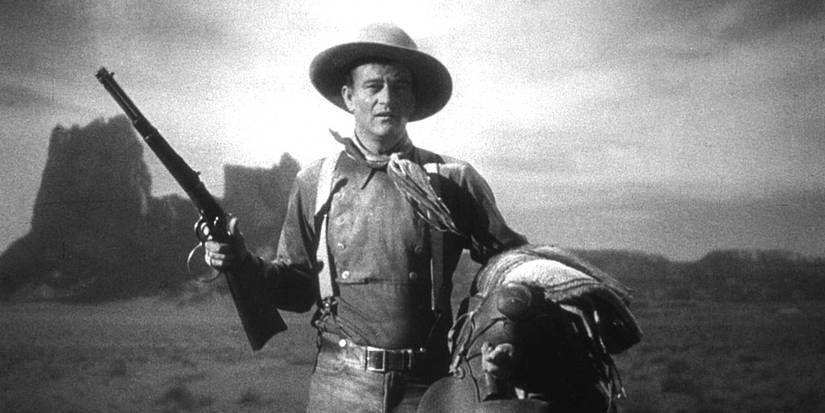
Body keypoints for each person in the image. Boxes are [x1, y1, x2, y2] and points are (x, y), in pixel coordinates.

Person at [205, 23, 527, 413]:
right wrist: (242, 263)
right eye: (373, 86)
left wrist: (491, 335)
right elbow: (296, 290)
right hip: (338, 389)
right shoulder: (315, 182)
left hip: (428, 390)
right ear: (349, 97)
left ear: (413, 98)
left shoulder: (452, 180)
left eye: (399, 86)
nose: (386, 98)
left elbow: (511, 267)